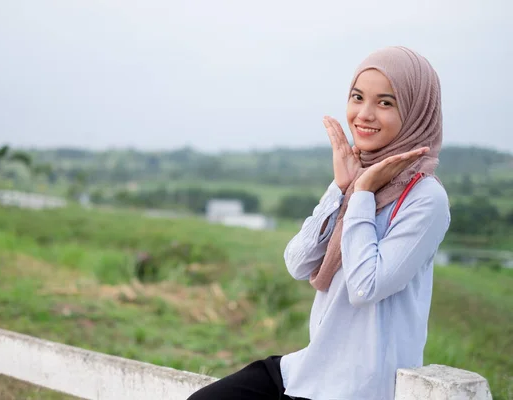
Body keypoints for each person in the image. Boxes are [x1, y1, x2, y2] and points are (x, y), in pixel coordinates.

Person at [187, 46, 451, 400]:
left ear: (417, 111)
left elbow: (365, 288)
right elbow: (297, 263)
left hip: (357, 388)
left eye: (386, 103)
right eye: (358, 98)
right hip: (306, 370)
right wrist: (342, 189)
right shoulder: (356, 177)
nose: (364, 114)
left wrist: (361, 195)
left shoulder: (425, 199)